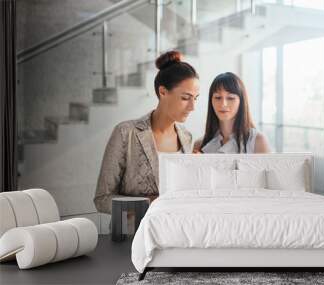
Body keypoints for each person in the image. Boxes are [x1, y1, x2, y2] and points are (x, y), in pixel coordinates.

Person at [94, 51, 199, 214]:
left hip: (177, 232)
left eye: (195, 98)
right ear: (163, 92)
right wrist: (150, 202)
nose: (192, 107)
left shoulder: (186, 137)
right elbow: (102, 199)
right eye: (185, 98)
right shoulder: (126, 133)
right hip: (135, 235)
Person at [194, 72, 270, 153]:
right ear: (211, 101)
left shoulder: (257, 141)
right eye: (218, 97)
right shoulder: (200, 145)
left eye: (230, 98)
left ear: (241, 101)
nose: (223, 104)